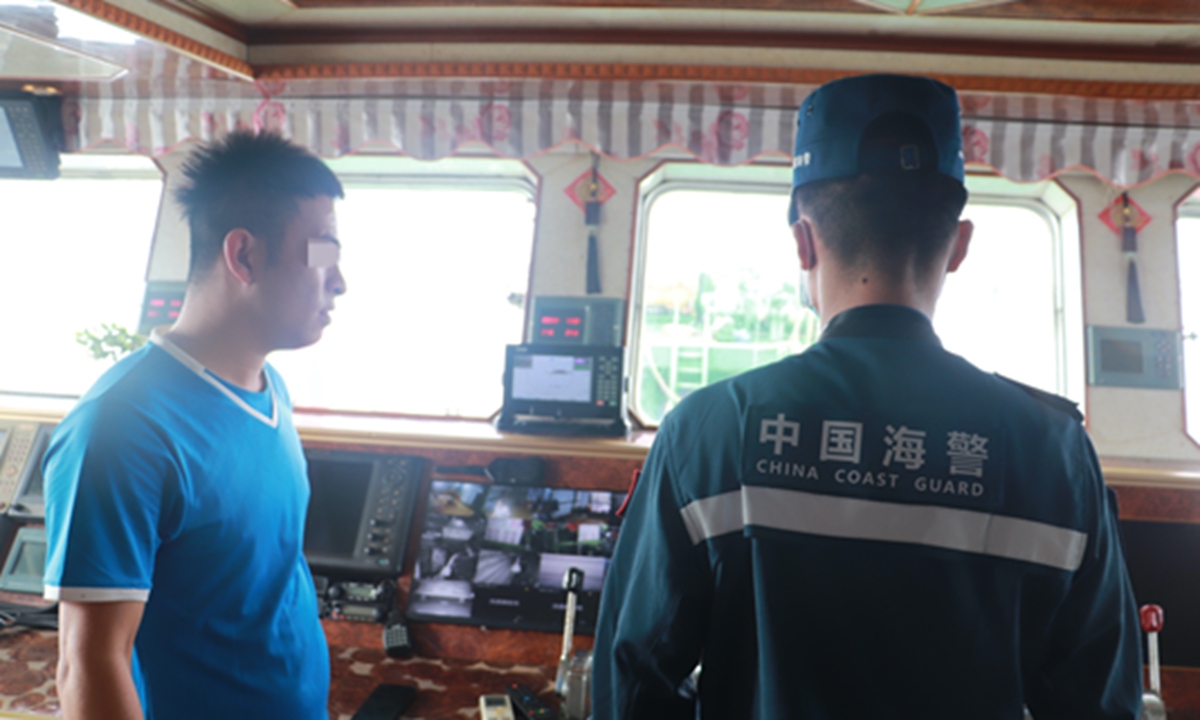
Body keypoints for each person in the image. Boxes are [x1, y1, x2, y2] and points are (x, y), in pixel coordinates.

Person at [593, 74, 1142, 719]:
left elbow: (632, 682)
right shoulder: (1054, 450)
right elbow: (1100, 705)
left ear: (802, 241)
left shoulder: (707, 432)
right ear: (959, 246)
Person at [43, 130, 346, 720]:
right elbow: (87, 665)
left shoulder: (268, 389)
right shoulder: (122, 428)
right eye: (322, 254)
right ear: (244, 256)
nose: (338, 281)